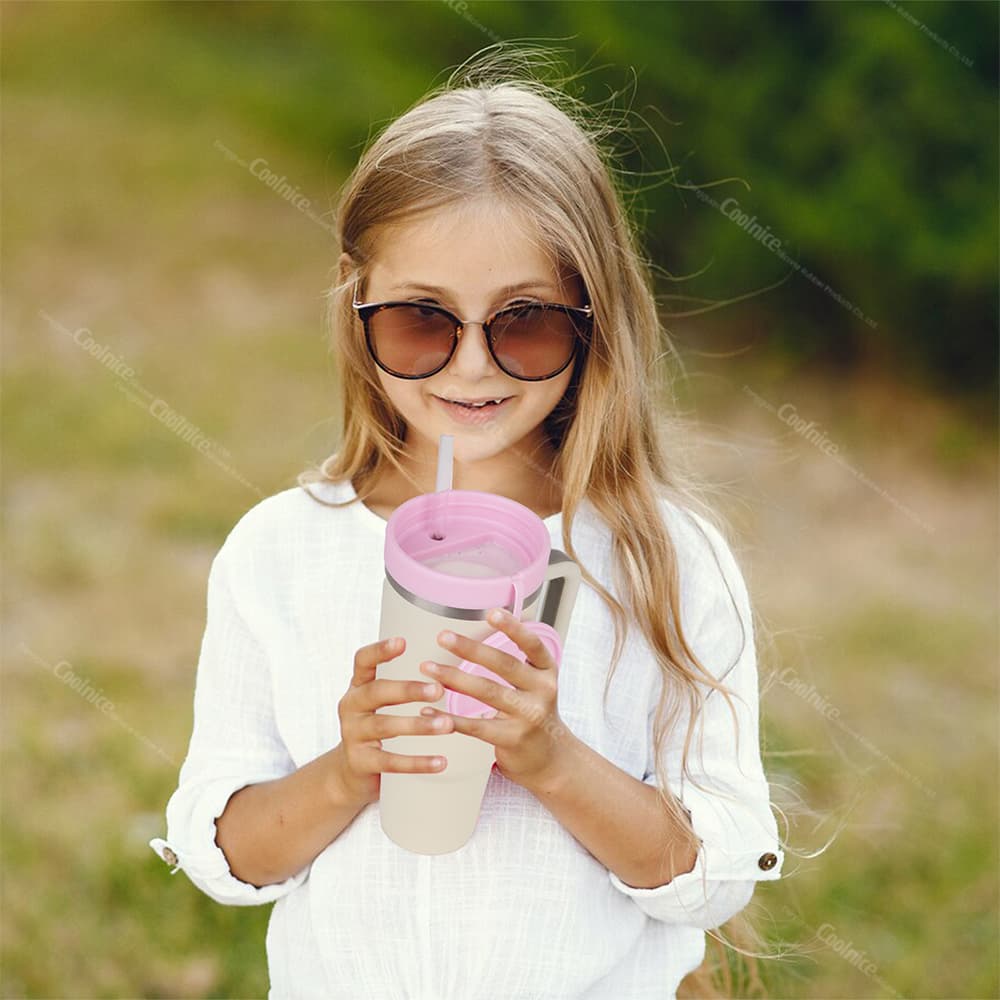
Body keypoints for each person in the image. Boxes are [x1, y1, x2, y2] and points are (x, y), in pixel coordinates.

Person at [150, 49, 785, 1000]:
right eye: (421, 321)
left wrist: (552, 758)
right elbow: (230, 858)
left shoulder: (664, 559)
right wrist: (349, 768)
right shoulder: (282, 553)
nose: (472, 368)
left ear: (594, 318)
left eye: (525, 321)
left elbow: (713, 872)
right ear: (356, 303)